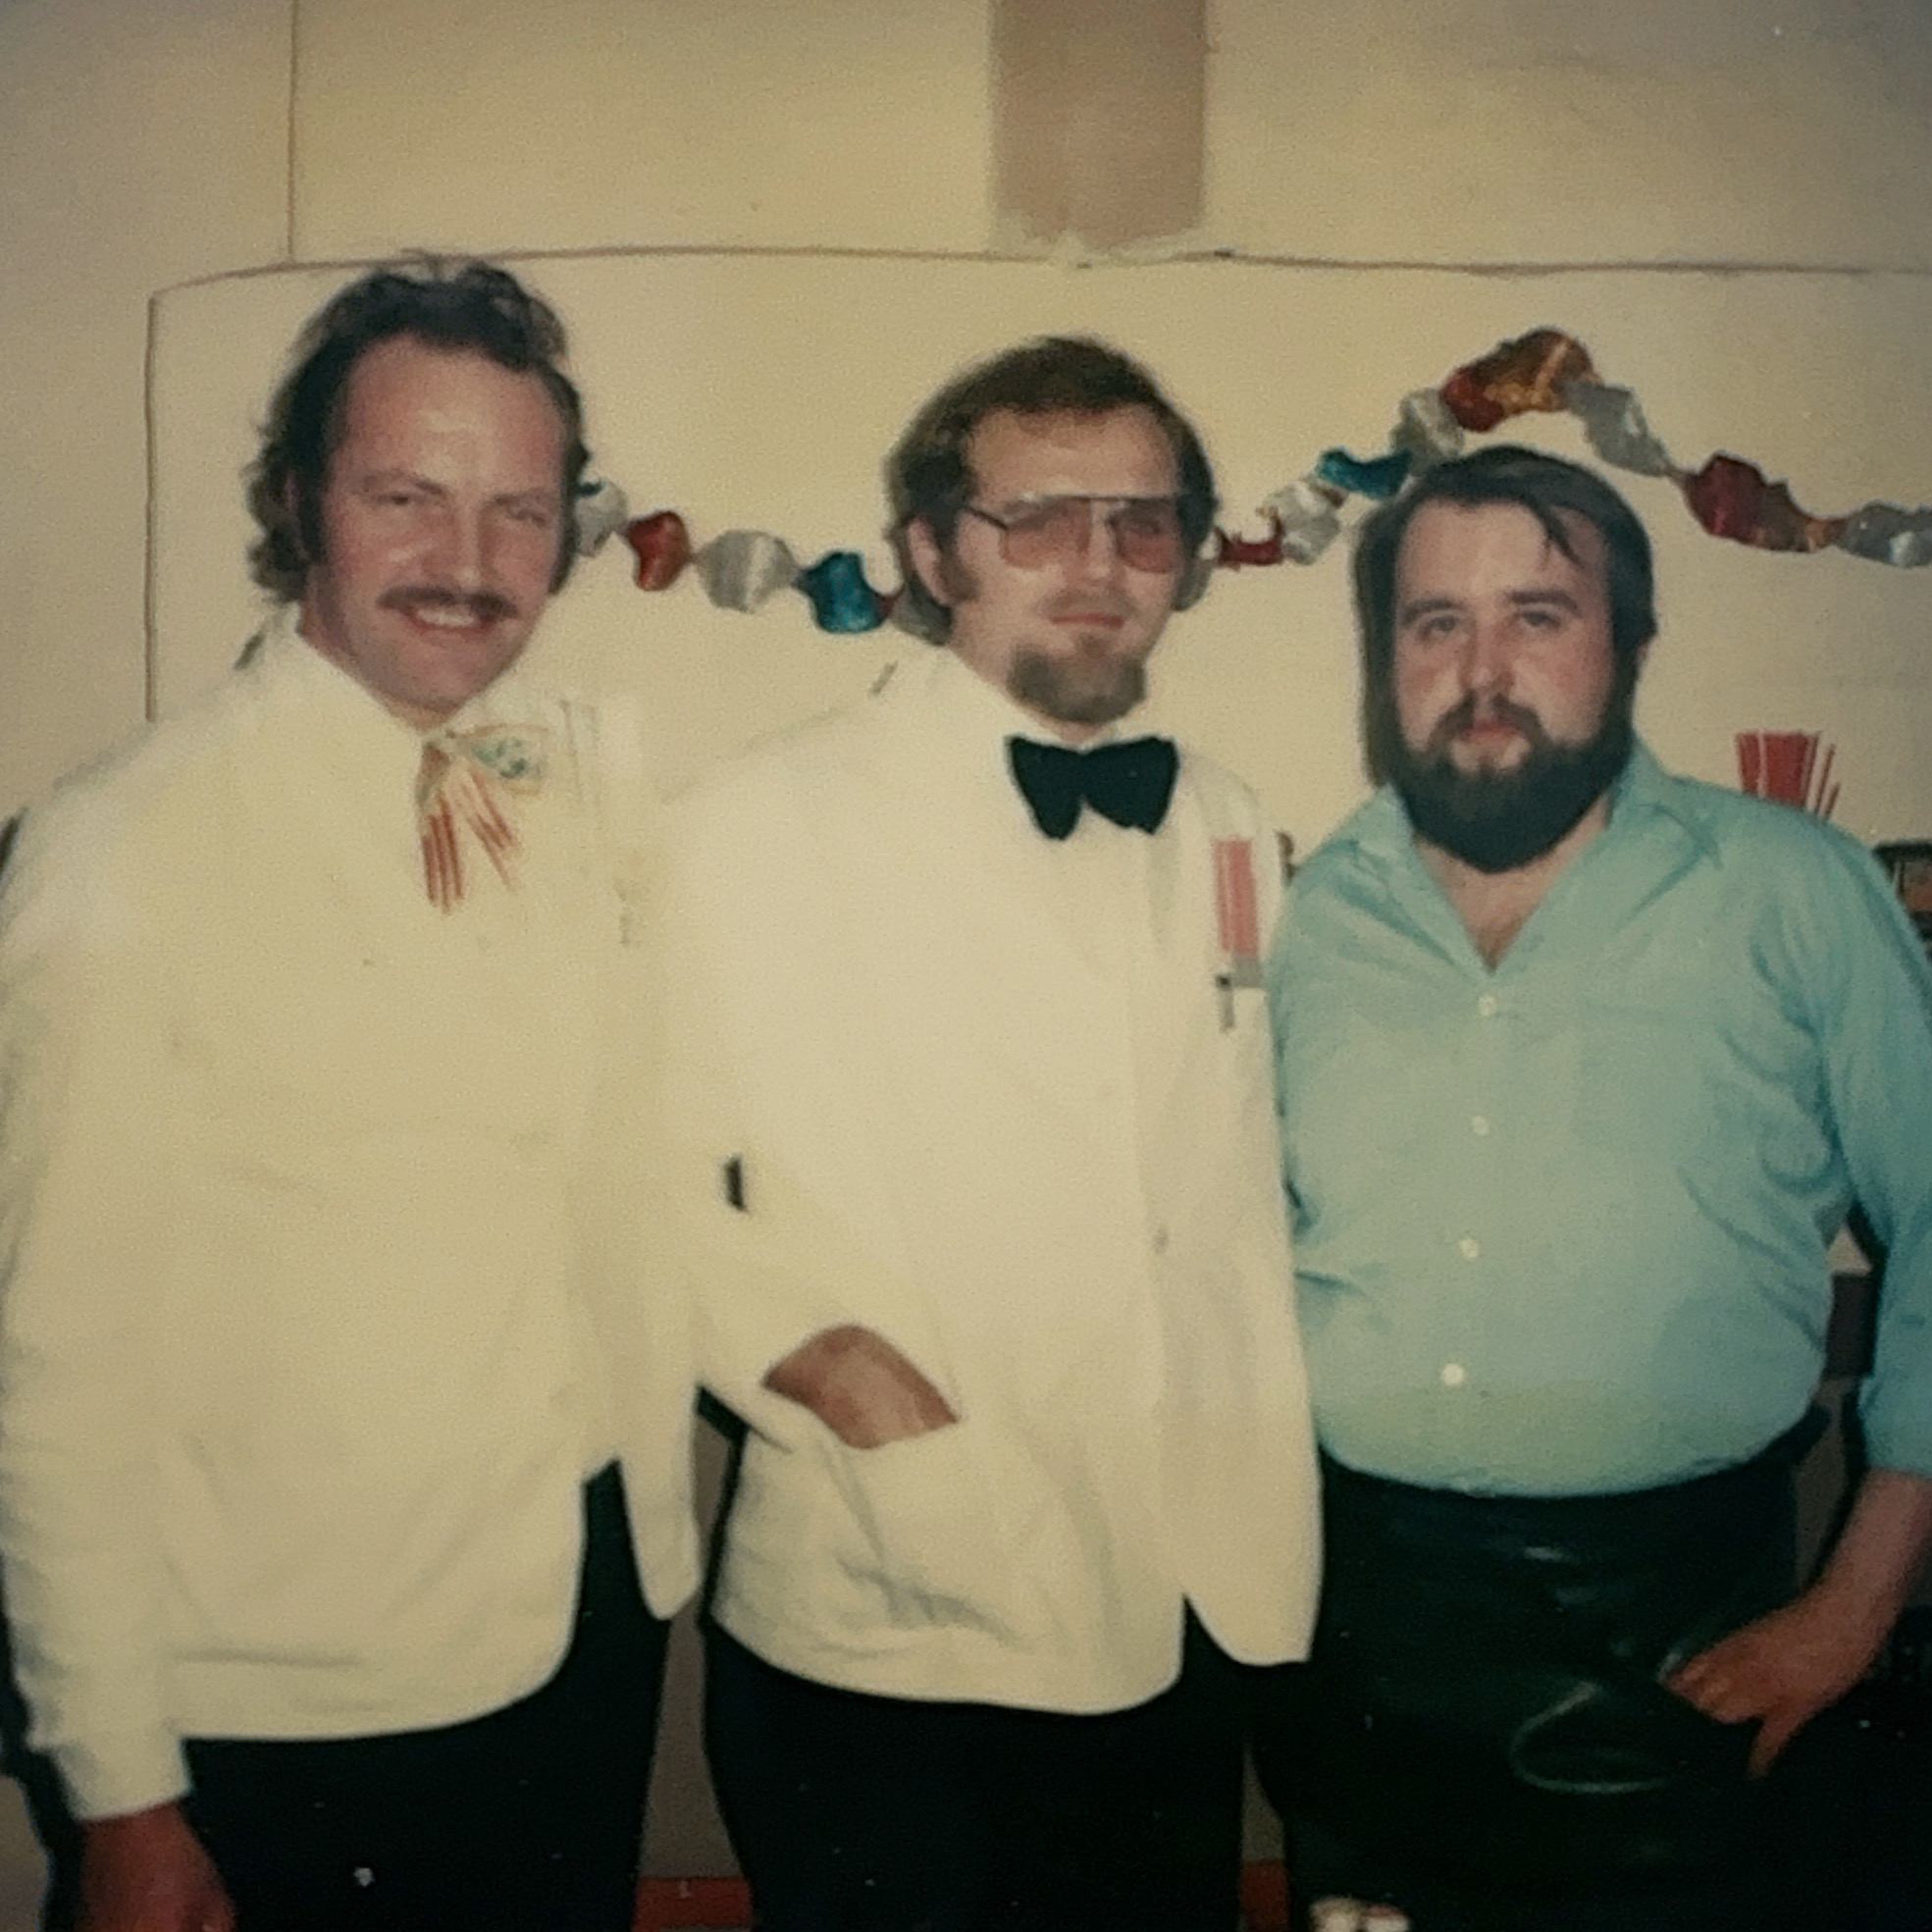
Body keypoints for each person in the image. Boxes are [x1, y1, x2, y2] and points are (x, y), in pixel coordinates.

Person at [0, 259, 697, 1932]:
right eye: (405, 497)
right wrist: (122, 1796)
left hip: (584, 1629)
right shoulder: (124, 846)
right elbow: (52, 1364)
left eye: (518, 509)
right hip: (296, 1697)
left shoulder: (576, 781)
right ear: (298, 499)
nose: (468, 561)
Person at [653, 336, 1321, 1931]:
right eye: (1036, 519)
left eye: (1142, 521)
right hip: (897, 1609)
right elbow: (632, 1172)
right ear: (932, 551)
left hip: (1177, 1601)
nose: (1097, 563)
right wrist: (830, 1367)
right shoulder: (753, 820)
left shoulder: (1226, 819)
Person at [1261, 444, 1932, 1931]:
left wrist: (1852, 1608)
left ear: (1629, 643)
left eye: (1538, 616)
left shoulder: (1794, 889)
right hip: (1353, 1631)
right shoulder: (1312, 915)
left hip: (1682, 1633)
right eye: (1436, 622)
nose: (1480, 671)